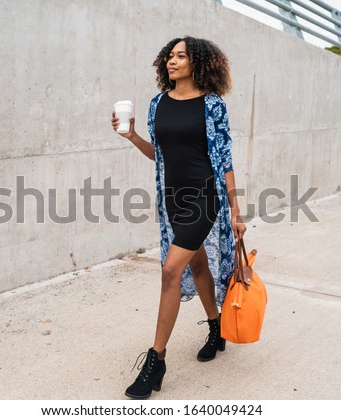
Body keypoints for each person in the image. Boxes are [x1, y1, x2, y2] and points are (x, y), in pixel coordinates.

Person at [111, 36, 246, 399]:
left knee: (171, 270)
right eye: (170, 56)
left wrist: (236, 210)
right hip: (172, 198)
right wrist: (132, 136)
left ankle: (156, 361)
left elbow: (225, 159)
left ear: (198, 63)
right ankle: (216, 329)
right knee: (198, 266)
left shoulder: (213, 105)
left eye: (181, 56)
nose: (173, 61)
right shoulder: (158, 104)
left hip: (205, 197)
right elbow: (161, 155)